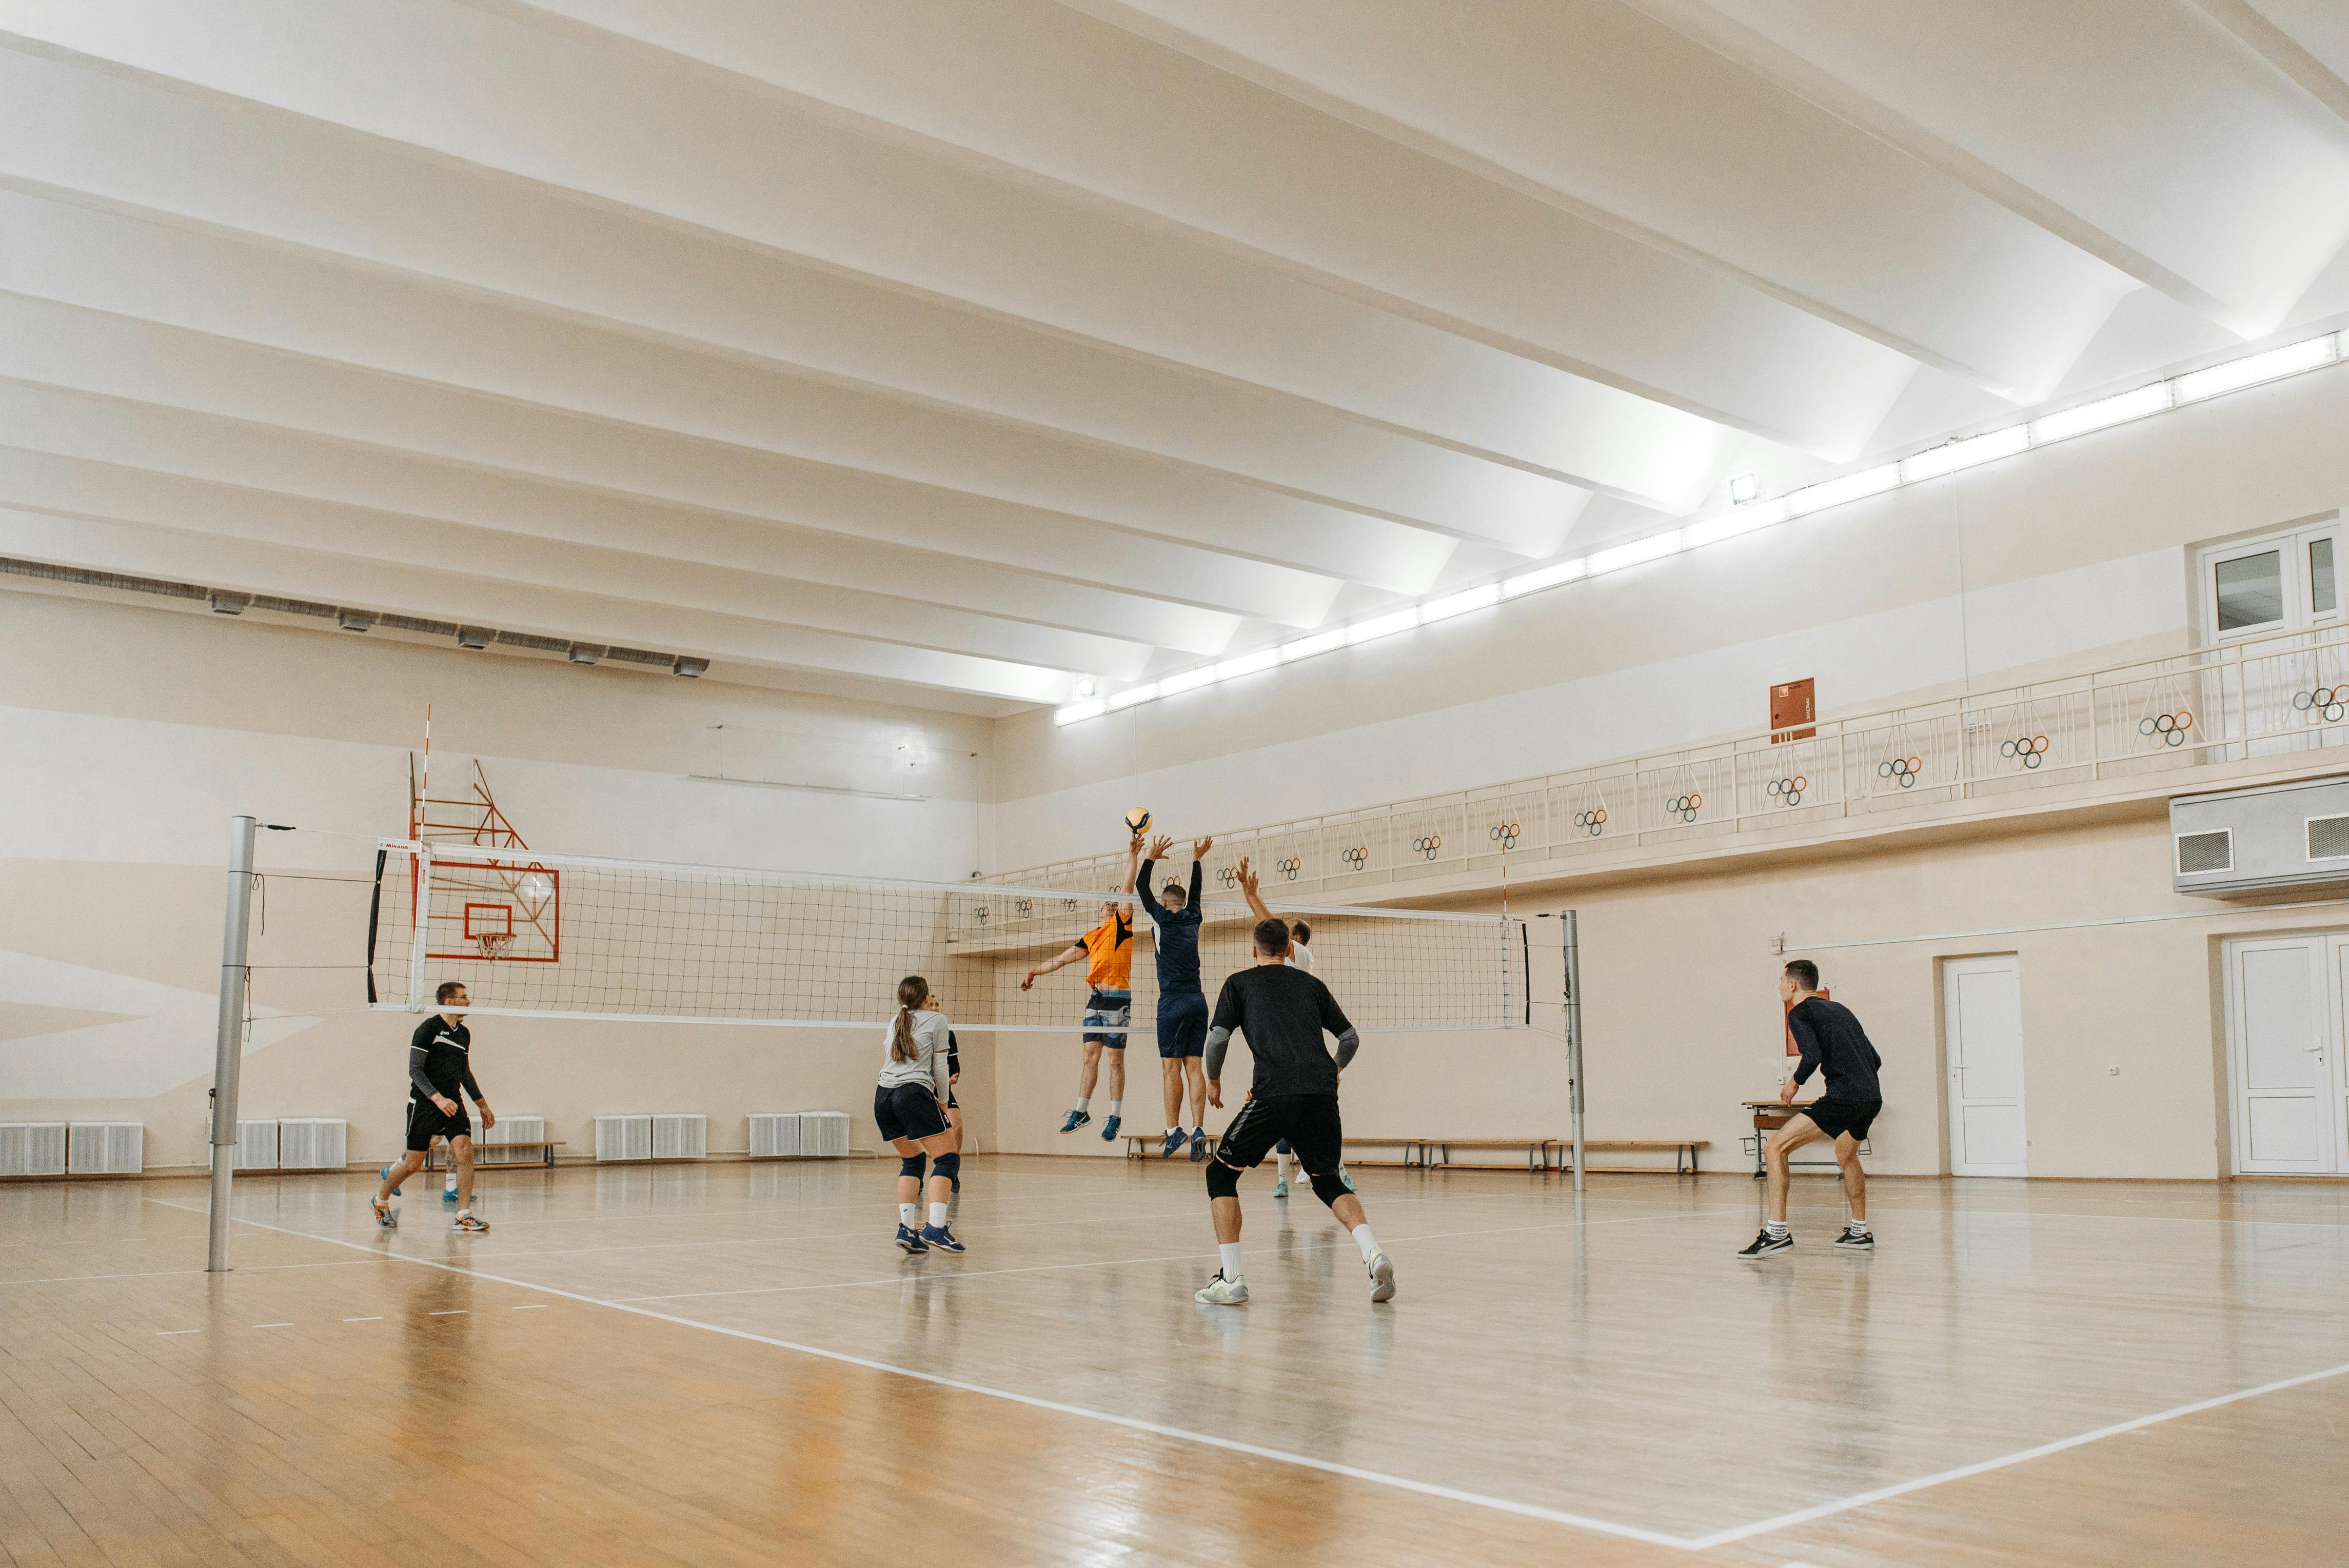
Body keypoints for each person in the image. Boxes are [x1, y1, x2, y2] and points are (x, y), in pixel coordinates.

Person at [1193, 917, 1393, 1306]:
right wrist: (1334, 1069)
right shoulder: (1311, 985)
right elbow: (1350, 1039)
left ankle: (1231, 1279)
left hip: (1274, 1093)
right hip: (1320, 1092)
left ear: (1254, 950)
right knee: (1327, 1180)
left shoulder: (1239, 983)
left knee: (1220, 1174)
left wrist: (1212, 1079)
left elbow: (1217, 1037)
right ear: (1289, 950)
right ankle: (1373, 1254)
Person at [1740, 959, 1882, 1259]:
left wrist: (1795, 1083)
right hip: (1871, 1097)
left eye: (1781, 981)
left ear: (1793, 984)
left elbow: (1813, 1054)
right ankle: (1860, 1231)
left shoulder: (1800, 1012)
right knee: (1846, 1152)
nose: (1779, 987)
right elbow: (1875, 1058)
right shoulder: (1841, 1010)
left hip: (1845, 1097)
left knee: (1775, 1148)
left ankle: (1777, 1234)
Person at [1235, 858, 1347, 1200]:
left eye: (1286, 926)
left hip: (1293, 1049)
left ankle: (1327, 1171)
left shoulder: (1297, 953)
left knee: (1288, 1107)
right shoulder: (1294, 967)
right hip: (1293, 1041)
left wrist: (1251, 894)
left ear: (1293, 939)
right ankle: (1310, 1172)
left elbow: (1267, 924)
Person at [1021, 838, 1141, 1140]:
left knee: (1115, 1060)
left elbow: (1127, 889)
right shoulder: (1092, 935)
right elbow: (1062, 959)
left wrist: (1132, 855)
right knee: (1090, 1057)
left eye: (1115, 903)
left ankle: (1115, 1116)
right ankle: (1082, 1110)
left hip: (1117, 998)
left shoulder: (1122, 925)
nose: (1112, 904)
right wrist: (1034, 971)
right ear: (1100, 910)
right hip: (1096, 999)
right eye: (1107, 903)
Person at [371, 981, 495, 1233]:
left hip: (453, 1103)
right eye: (464, 997)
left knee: (465, 1153)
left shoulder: (464, 1033)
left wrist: (482, 1105)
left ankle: (463, 1214)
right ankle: (380, 1201)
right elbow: (415, 1070)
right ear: (450, 1002)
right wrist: (437, 1098)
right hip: (426, 1104)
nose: (468, 1001)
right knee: (412, 1164)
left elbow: (464, 1072)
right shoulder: (428, 1029)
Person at [1137, 833, 1213, 1161]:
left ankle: (1173, 1131)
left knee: (1171, 1070)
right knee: (1194, 1067)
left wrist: (1150, 857)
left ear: (1165, 903)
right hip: (1198, 1001)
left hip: (1172, 1002)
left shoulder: (1162, 918)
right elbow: (1196, 892)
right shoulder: (1194, 915)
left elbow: (1142, 889)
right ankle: (1198, 1129)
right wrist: (1197, 859)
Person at [876, 975, 964, 1254]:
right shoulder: (937, 1020)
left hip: (882, 1097)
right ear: (927, 998)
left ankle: (907, 1229)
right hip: (912, 1094)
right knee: (948, 1159)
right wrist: (942, 1101)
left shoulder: (895, 1020)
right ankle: (936, 1228)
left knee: (912, 1161)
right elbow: (941, 1067)